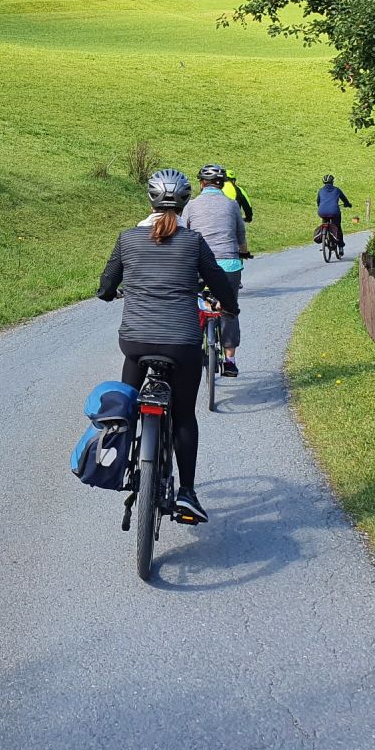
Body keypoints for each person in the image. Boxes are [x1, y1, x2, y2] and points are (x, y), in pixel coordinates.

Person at [99, 169, 239, 524]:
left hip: (135, 341)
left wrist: (109, 293)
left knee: (128, 404)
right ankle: (187, 494)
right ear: (185, 202)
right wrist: (230, 306)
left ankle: (121, 465)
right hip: (182, 343)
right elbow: (219, 283)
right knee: (185, 416)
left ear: (149, 200)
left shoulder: (127, 238)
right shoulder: (192, 242)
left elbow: (106, 284)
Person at [183, 163, 250, 378]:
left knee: (191, 306)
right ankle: (229, 360)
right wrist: (244, 252)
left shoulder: (191, 206)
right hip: (228, 265)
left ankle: (190, 351)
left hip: (199, 265)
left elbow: (183, 233)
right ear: (221, 184)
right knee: (229, 309)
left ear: (202, 184)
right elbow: (241, 236)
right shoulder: (231, 205)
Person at [317, 174, 351, 253]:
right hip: (334, 212)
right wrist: (348, 204)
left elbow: (318, 202)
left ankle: (324, 238)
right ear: (332, 182)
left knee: (324, 223)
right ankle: (340, 246)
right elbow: (344, 199)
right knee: (338, 227)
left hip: (322, 211)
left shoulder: (320, 190)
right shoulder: (337, 190)